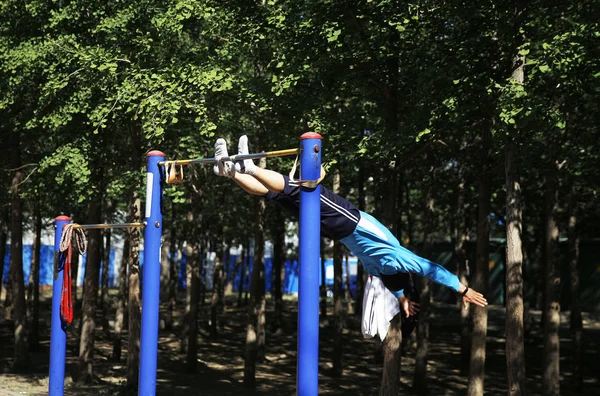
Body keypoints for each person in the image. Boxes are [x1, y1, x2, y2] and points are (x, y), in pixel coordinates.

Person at [212, 135, 488, 322]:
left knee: (297, 188)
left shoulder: (398, 259)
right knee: (276, 194)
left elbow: (431, 269)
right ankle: (229, 171)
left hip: (349, 220)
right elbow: (393, 283)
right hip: (336, 230)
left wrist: (461, 289)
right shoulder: (380, 269)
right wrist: (403, 299)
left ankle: (248, 167)